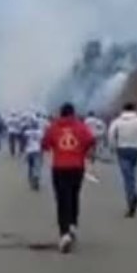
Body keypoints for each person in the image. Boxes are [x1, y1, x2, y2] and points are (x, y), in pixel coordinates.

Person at [43, 103, 96, 254]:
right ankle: (73, 223)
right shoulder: (81, 126)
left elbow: (45, 144)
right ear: (73, 113)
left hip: (60, 167)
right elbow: (91, 141)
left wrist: (56, 148)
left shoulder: (53, 127)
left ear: (61, 113)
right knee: (74, 195)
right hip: (77, 167)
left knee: (61, 199)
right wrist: (82, 152)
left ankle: (64, 232)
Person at [109, 102, 137, 217]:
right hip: (135, 149)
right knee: (131, 173)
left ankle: (131, 198)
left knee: (127, 177)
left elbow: (111, 134)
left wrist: (113, 147)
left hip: (122, 149)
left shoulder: (117, 121)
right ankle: (132, 195)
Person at [23, 115, 46, 191]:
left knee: (30, 166)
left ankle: (31, 179)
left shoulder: (27, 132)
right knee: (37, 166)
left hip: (29, 151)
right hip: (38, 150)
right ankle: (36, 179)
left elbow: (25, 142)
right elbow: (42, 142)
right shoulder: (40, 132)